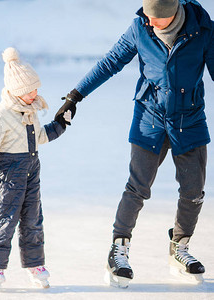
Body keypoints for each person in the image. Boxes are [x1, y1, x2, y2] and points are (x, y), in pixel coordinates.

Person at [55, 0, 213, 288]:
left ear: (173, 12)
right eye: (148, 16)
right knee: (137, 187)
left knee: (193, 191)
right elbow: (110, 62)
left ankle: (180, 247)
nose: (150, 22)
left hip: (189, 121)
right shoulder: (141, 27)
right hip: (149, 119)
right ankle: (119, 248)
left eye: (157, 18)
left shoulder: (202, 29)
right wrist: (75, 96)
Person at [0, 47, 71, 291]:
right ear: (17, 91)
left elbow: (39, 137)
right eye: (30, 91)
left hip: (30, 170)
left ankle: (35, 265)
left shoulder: (30, 111)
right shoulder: (1, 114)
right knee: (5, 220)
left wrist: (60, 124)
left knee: (33, 220)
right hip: (7, 174)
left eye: (36, 89)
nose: (35, 94)